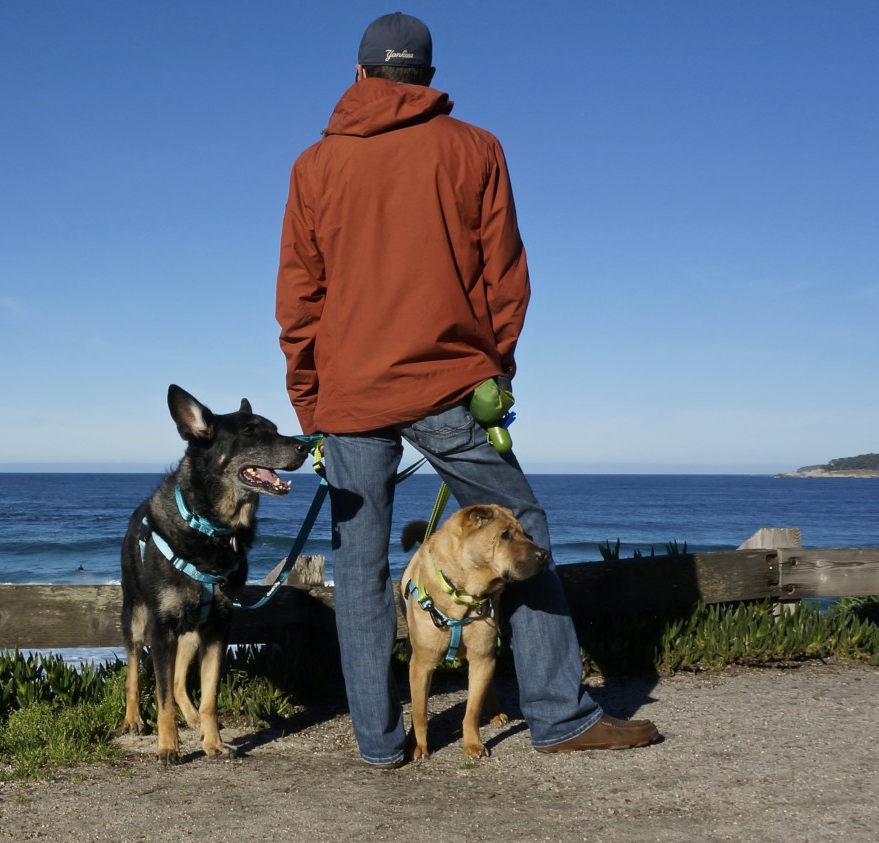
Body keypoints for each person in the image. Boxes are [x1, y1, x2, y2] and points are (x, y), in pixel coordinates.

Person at [274, 11, 659, 767]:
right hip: (449, 384)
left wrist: (309, 401)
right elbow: (504, 278)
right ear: (427, 76)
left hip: (350, 396)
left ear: (359, 77)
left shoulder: (313, 167)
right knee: (524, 528)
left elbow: (299, 299)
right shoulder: (476, 148)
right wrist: (496, 369)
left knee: (359, 564)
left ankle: (380, 745)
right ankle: (559, 715)